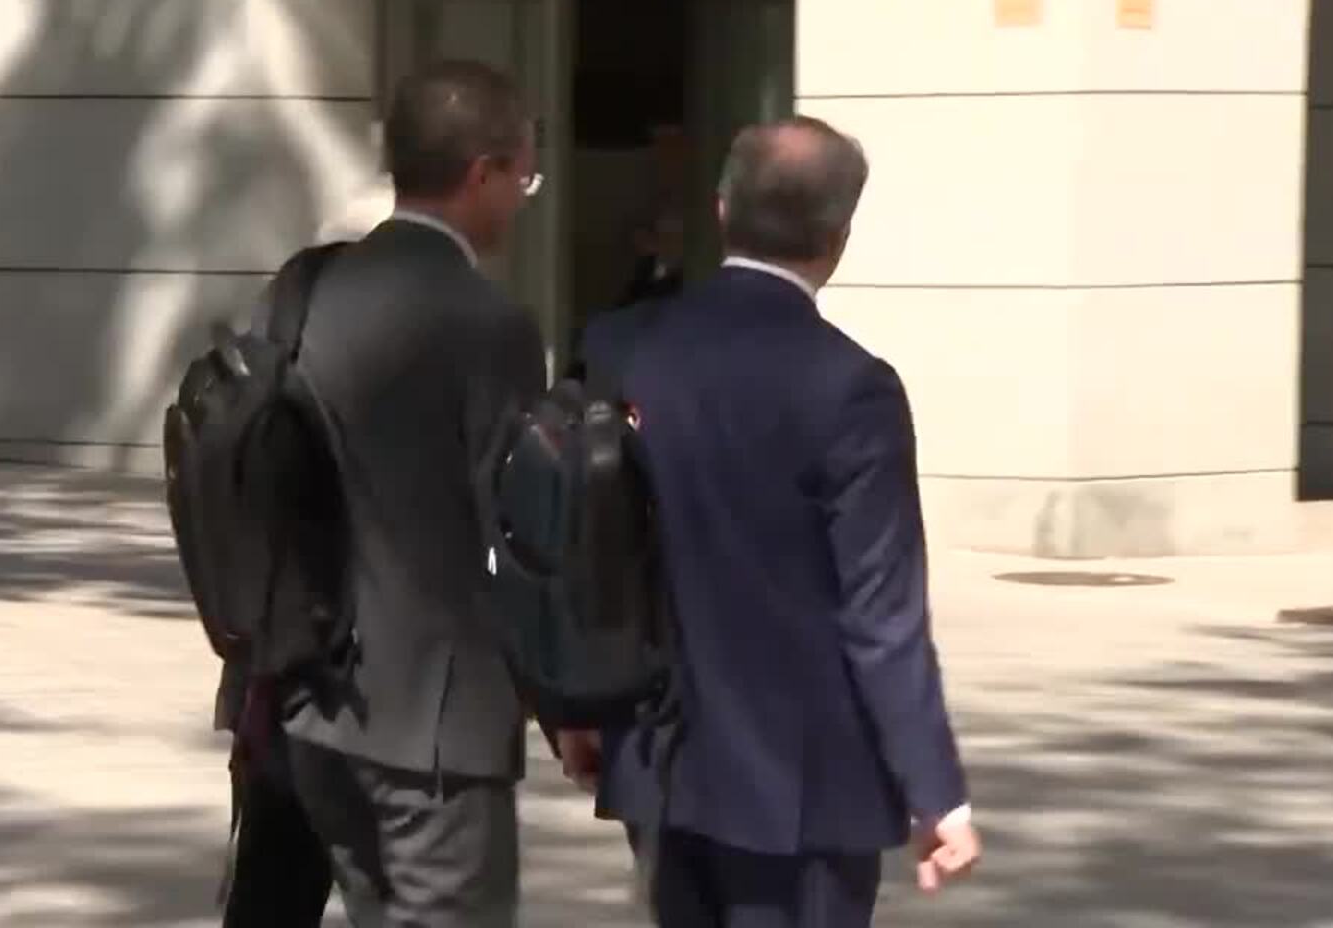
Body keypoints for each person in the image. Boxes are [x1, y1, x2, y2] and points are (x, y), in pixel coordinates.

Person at [561, 117, 980, 927]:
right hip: (802, 790)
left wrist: (574, 706)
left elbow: (580, 545)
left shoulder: (618, 347)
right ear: (840, 236)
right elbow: (881, 613)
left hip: (655, 757)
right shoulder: (852, 388)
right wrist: (936, 792)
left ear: (721, 210)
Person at [278, 59, 548, 926]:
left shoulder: (304, 294)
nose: (522, 199)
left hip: (318, 709)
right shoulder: (489, 324)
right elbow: (519, 531)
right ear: (482, 174)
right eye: (524, 179)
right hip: (438, 729)